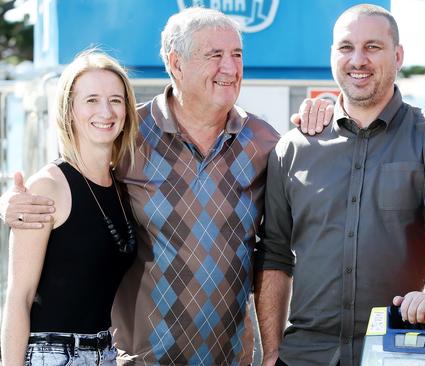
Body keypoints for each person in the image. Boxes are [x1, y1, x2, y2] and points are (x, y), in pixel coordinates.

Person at [0, 7, 332, 364]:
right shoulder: (128, 135)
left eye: (236, 54)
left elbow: (284, 242)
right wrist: (12, 202)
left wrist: (329, 110)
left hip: (232, 358)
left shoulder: (264, 143)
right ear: (176, 62)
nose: (230, 67)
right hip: (140, 360)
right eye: (214, 55)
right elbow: (74, 177)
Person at [254, 4, 425, 366]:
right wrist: (272, 352)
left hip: (402, 352)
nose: (358, 59)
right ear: (332, 56)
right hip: (304, 356)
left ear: (398, 55)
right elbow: (275, 253)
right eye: (346, 47)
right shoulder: (293, 148)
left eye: (372, 47)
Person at [1, 50, 139, 365]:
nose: (106, 111)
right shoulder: (48, 187)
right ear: (69, 109)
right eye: (91, 100)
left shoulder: (121, 184)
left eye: (116, 100)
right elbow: (18, 298)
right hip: (51, 355)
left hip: (104, 351)